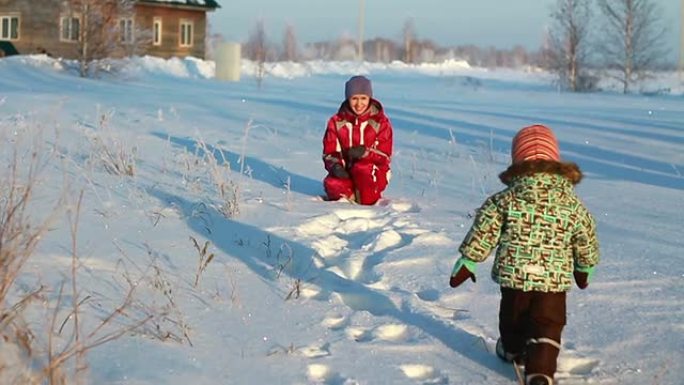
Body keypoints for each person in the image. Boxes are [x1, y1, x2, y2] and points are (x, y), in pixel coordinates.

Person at [449, 124, 600, 385]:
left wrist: (469, 260)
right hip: (553, 281)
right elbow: (585, 235)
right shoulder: (571, 203)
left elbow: (485, 231)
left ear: (517, 161)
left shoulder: (504, 200)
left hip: (515, 278)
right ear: (555, 162)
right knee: (548, 323)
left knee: (513, 318)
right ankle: (540, 370)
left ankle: (512, 349)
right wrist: (584, 267)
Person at [322, 75, 393, 205]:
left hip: (373, 172)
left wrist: (365, 153)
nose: (359, 104)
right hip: (347, 172)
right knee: (332, 184)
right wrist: (335, 166)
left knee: (362, 168)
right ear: (348, 99)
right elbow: (329, 152)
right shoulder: (336, 122)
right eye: (354, 99)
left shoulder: (380, 122)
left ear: (370, 99)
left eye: (363, 98)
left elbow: (384, 155)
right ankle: (351, 199)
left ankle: (368, 205)